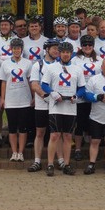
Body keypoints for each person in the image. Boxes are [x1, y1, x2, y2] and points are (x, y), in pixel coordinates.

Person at [40, 42, 85, 176]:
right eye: (63, 52)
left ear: (71, 54)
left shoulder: (77, 69)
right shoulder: (51, 67)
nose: (65, 54)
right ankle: (50, 164)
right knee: (54, 135)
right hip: (56, 107)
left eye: (68, 52)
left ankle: (66, 164)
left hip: (70, 107)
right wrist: (52, 93)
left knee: (67, 136)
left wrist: (77, 96)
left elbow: (82, 87)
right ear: (59, 53)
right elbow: (44, 84)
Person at [27, 38, 60, 172]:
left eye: (58, 49)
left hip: (57, 104)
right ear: (47, 49)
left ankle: (61, 160)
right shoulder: (38, 65)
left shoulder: (61, 64)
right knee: (40, 132)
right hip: (42, 104)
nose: (57, 51)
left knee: (57, 133)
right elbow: (34, 84)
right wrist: (46, 96)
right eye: (54, 48)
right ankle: (37, 161)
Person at [0, 37, 32, 162]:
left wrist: (33, 96)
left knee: (23, 127)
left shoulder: (27, 63)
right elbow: (3, 82)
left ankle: (21, 152)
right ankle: (14, 152)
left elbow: (30, 81)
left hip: (24, 99)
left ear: (21, 49)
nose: (16, 50)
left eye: (18, 48)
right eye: (14, 48)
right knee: (12, 128)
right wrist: (2, 98)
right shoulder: (5, 63)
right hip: (11, 100)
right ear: (11, 49)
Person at [72, 35, 99, 161]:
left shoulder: (99, 59)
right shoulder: (75, 60)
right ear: (81, 46)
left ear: (93, 46)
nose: (87, 47)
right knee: (80, 124)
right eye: (85, 45)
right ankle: (77, 149)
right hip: (81, 97)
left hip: (94, 97)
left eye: (90, 45)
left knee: (93, 125)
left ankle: (92, 151)